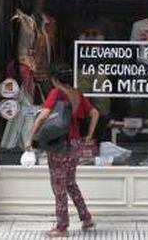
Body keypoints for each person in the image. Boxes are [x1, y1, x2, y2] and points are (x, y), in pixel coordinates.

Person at [25, 63, 99, 238]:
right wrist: (88, 135)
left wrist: (30, 137)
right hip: (75, 144)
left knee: (59, 186)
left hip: (60, 145)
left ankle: (62, 227)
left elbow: (43, 115)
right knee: (70, 183)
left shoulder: (57, 93)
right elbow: (95, 113)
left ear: (55, 79)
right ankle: (86, 218)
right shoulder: (78, 94)